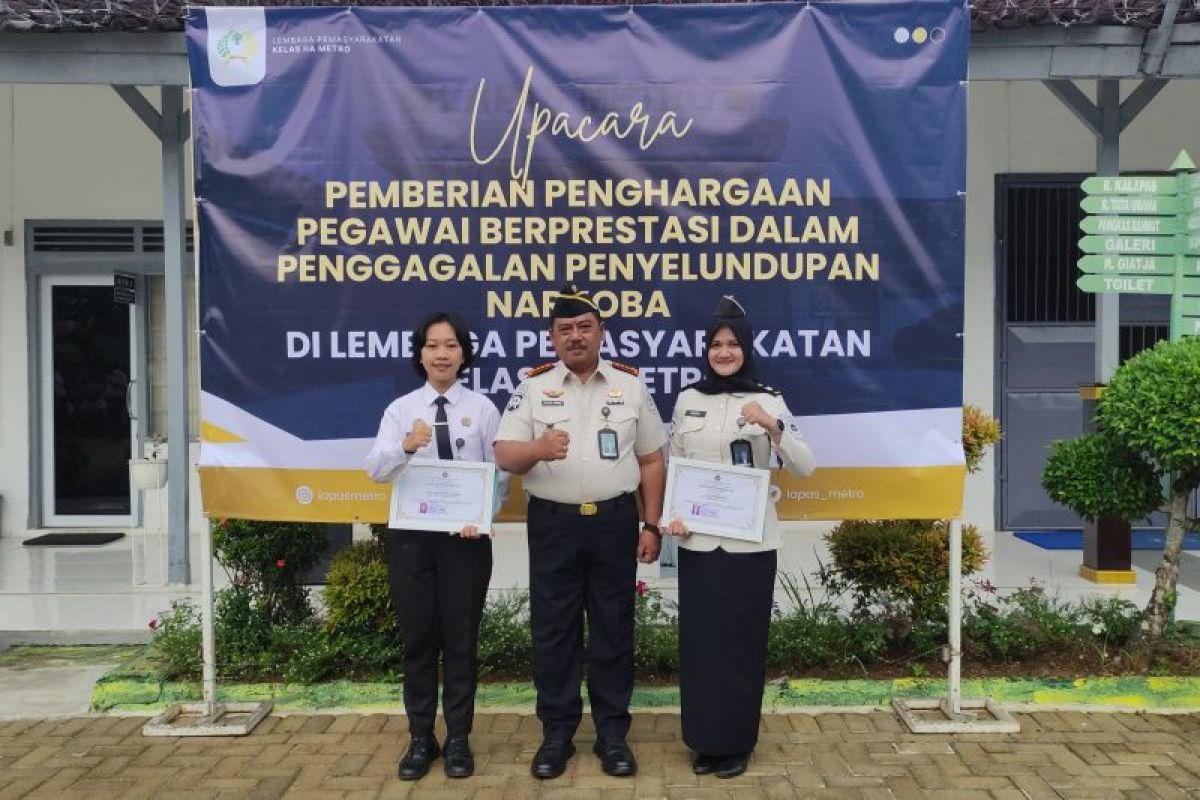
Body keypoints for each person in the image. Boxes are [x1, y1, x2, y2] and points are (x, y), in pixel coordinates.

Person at [493, 284, 667, 780]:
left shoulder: (631, 385)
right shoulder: (533, 387)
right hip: (554, 525)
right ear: (552, 337)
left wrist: (651, 524)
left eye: (584, 327)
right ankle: (557, 735)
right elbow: (504, 454)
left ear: (601, 333)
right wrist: (537, 449)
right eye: (565, 329)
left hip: (614, 522)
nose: (575, 336)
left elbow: (652, 461)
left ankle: (613, 736)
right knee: (554, 632)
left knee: (614, 629)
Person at [664, 295, 816, 779]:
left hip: (751, 545)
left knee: (741, 644)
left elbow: (805, 466)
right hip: (698, 542)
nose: (724, 352)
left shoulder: (770, 399)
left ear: (746, 349)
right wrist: (672, 517)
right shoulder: (688, 399)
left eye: (732, 344)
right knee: (701, 645)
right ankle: (703, 740)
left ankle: (735, 743)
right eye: (715, 345)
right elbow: (674, 464)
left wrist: (772, 426)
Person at [365, 311, 503, 781]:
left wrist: (482, 516)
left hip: (465, 543)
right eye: (432, 345)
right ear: (420, 354)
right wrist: (405, 446)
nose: (442, 354)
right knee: (419, 643)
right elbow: (375, 470)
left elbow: (498, 477)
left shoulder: (483, 409)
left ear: (464, 354)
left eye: (451, 345)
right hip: (412, 542)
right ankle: (421, 739)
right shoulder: (401, 410)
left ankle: (459, 738)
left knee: (461, 643)